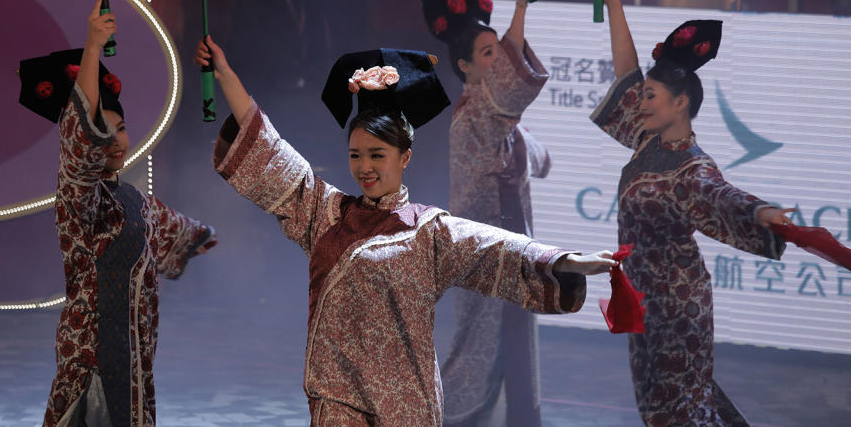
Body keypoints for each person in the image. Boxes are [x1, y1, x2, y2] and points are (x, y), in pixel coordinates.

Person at [195, 38, 616, 426]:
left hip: (407, 403)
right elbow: (272, 151)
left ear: (405, 157)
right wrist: (227, 77)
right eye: (356, 155)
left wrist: (568, 260)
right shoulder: (325, 214)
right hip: (336, 397)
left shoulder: (429, 231)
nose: (364, 167)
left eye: (378, 154)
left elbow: (499, 249)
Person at [587, 0, 794, 426]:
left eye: (652, 96)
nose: (640, 101)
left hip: (678, 306)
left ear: (680, 103)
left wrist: (762, 211)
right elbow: (626, 74)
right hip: (643, 298)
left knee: (677, 412)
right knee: (660, 407)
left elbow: (723, 196)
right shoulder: (648, 143)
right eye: (642, 95)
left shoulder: (692, 167)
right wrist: (615, 6)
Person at [19, 0, 218, 427]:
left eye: (121, 128)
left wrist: (198, 237)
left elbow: (169, 228)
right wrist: (92, 47)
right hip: (90, 355)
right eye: (101, 129)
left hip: (133, 361)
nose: (113, 139)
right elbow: (79, 145)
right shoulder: (79, 196)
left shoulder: (134, 199)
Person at [422, 0, 551, 426]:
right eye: (488, 53)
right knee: (478, 350)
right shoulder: (472, 115)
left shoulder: (498, 118)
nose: (498, 61)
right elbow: (510, 88)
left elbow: (542, 158)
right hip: (484, 255)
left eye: (499, 51)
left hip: (516, 252)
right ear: (465, 67)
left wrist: (523, 144)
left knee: (512, 350)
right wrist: (520, 5)